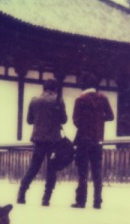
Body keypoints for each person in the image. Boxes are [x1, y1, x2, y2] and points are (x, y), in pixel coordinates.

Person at [17, 78, 67, 206]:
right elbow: (64, 120)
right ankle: (46, 199)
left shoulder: (35, 100)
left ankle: (21, 194)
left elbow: (29, 120)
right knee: (52, 169)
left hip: (39, 139)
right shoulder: (58, 100)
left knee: (33, 167)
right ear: (55, 89)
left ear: (43, 88)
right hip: (53, 140)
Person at [71, 72, 114, 209]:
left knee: (82, 171)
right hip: (97, 139)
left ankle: (81, 201)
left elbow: (76, 121)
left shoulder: (80, 99)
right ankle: (97, 201)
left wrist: (86, 124)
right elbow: (111, 116)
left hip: (83, 139)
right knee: (97, 171)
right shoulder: (103, 98)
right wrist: (99, 121)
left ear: (83, 85)